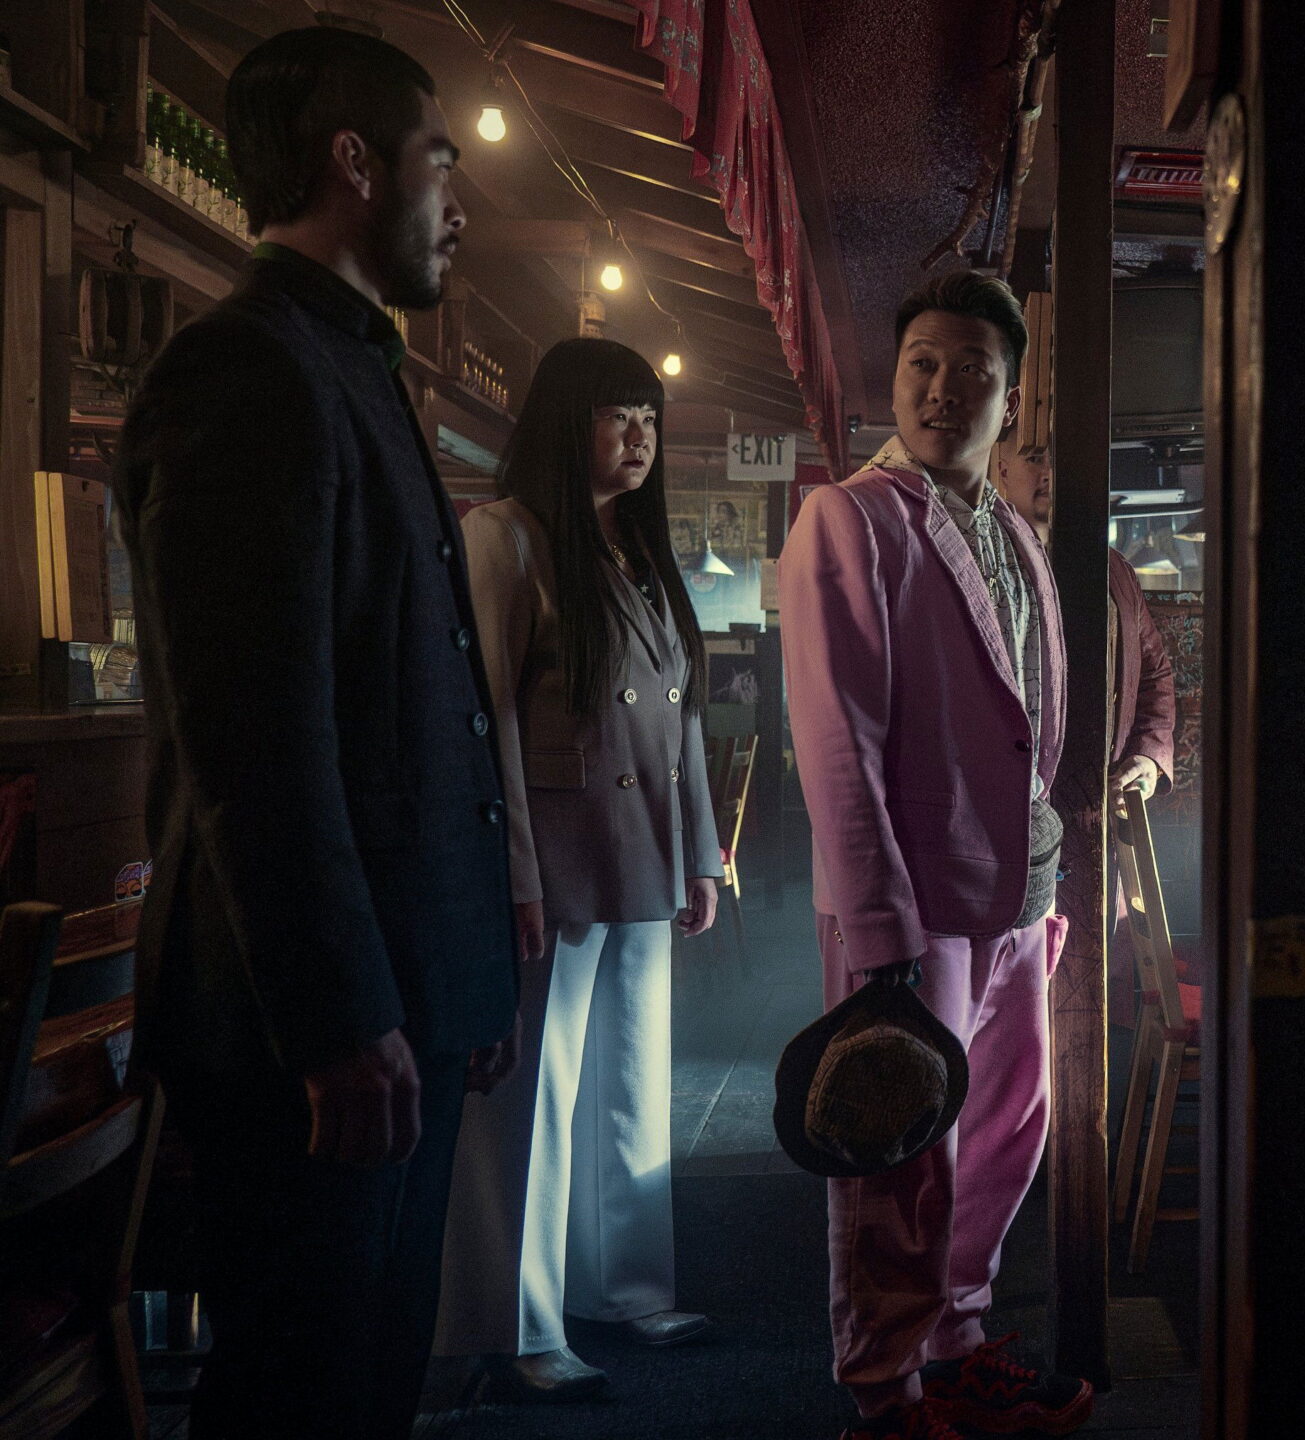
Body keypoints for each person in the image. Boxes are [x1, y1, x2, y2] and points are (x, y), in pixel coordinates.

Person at [114, 28, 513, 1438]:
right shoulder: (247, 368)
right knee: (304, 1395)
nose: (456, 207)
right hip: (315, 1030)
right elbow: (257, 745)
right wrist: (344, 1020)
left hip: (395, 996)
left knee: (368, 1383)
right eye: (440, 165)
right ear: (356, 163)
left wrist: (456, 981)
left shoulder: (347, 363)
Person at [781, 272, 1094, 1440]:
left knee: (1006, 1133)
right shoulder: (849, 518)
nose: (942, 387)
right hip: (912, 902)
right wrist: (877, 927)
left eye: (973, 369)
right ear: (894, 377)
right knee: (896, 1149)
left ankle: (955, 1343)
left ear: (1010, 398)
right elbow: (837, 741)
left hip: (1021, 887)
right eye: (922, 362)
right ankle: (884, 1390)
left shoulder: (1013, 528)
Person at [435, 338, 723, 1399]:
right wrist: (513, 873)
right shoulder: (505, 535)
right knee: (534, 1095)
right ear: (567, 420)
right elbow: (488, 722)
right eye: (617, 414)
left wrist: (702, 854)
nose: (639, 435)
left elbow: (683, 719)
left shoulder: (638, 547)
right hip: (553, 859)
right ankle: (518, 1323)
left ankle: (629, 1287)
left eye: (649, 416)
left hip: (645, 850)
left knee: (632, 1080)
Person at [992, 438, 1176, 801]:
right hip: (1011, 794)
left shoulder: (1115, 569)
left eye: (1059, 460)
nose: (1049, 473)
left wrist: (1147, 756)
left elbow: (1154, 673)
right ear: (1003, 472)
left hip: (1099, 796)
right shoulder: (986, 564)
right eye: (1034, 459)